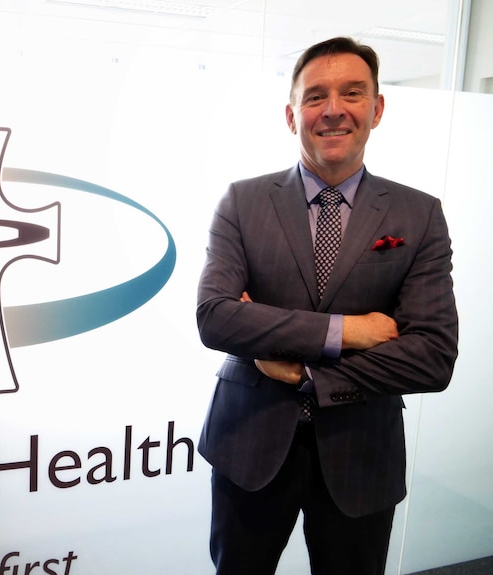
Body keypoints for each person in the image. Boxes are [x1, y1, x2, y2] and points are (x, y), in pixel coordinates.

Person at [195, 36, 458, 575]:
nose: (333, 109)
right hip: (250, 444)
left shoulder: (419, 215)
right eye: (315, 96)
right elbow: (216, 315)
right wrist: (351, 331)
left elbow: (433, 355)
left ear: (377, 109)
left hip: (362, 454)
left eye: (352, 93)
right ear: (291, 116)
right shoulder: (242, 202)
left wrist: (304, 369)